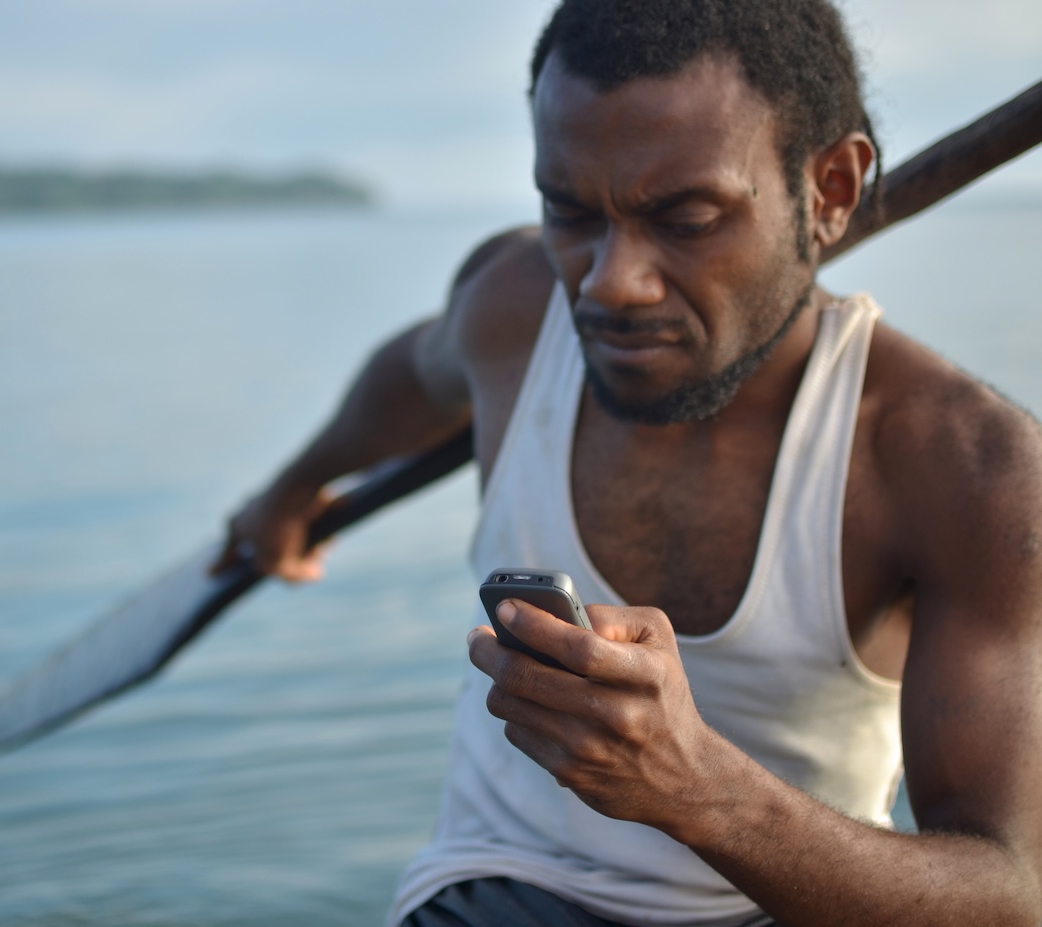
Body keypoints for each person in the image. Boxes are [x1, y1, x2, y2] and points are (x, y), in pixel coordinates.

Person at [214, 1, 1042, 924]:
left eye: (686, 218)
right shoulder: (514, 310)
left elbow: (1010, 894)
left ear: (833, 191)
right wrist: (293, 488)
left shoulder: (961, 466)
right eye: (570, 212)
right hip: (496, 890)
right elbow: (416, 373)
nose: (610, 281)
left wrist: (698, 789)